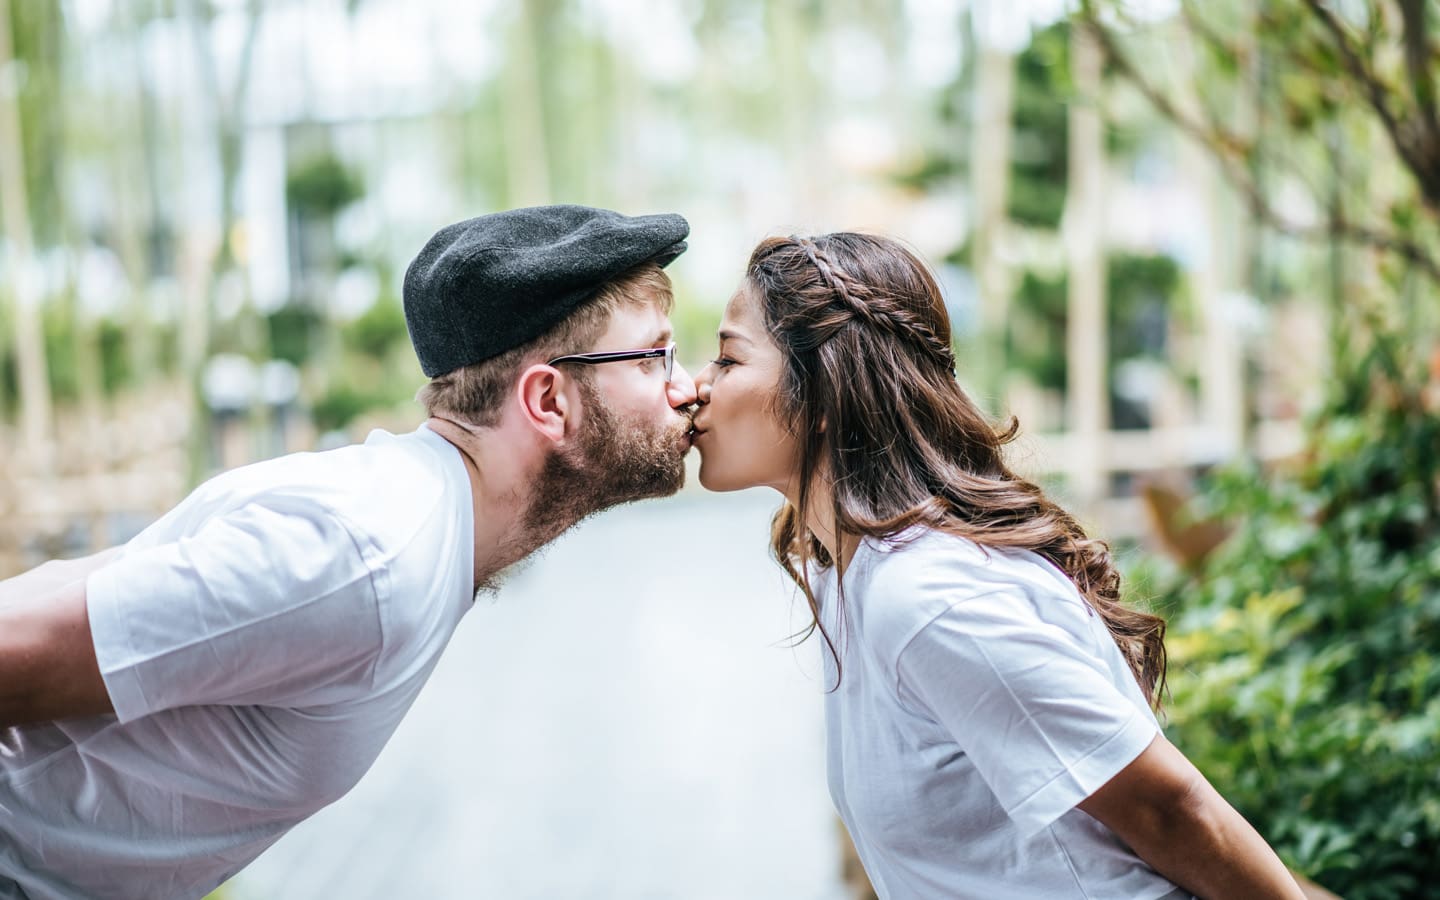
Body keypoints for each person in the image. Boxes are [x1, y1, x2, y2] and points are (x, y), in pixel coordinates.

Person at [0, 205, 699, 900]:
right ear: (548, 400)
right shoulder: (366, 559)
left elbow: (64, 583)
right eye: (652, 356)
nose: (684, 384)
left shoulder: (406, 531)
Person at [688, 232, 1306, 899]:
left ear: (821, 396)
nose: (696, 386)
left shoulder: (926, 596)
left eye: (728, 358)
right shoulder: (846, 573)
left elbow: (1174, 809)